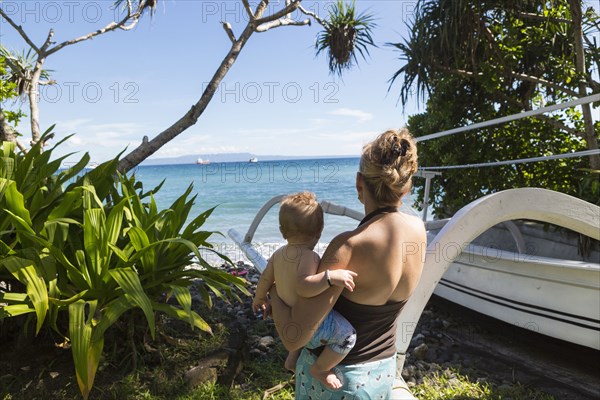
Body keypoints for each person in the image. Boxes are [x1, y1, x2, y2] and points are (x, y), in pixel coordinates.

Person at [269, 129, 427, 399]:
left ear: (358, 183)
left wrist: (273, 294)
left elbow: (294, 337)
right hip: (381, 374)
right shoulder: (418, 231)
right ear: (407, 185)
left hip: (337, 381)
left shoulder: (348, 245)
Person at [252, 191, 359, 389]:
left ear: (283, 231)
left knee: (302, 323)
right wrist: (329, 278)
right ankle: (321, 368)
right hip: (312, 327)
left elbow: (266, 278)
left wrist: (260, 299)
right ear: (319, 232)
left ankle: (293, 358)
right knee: (348, 336)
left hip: (287, 317)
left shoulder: (277, 254)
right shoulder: (309, 257)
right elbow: (304, 287)